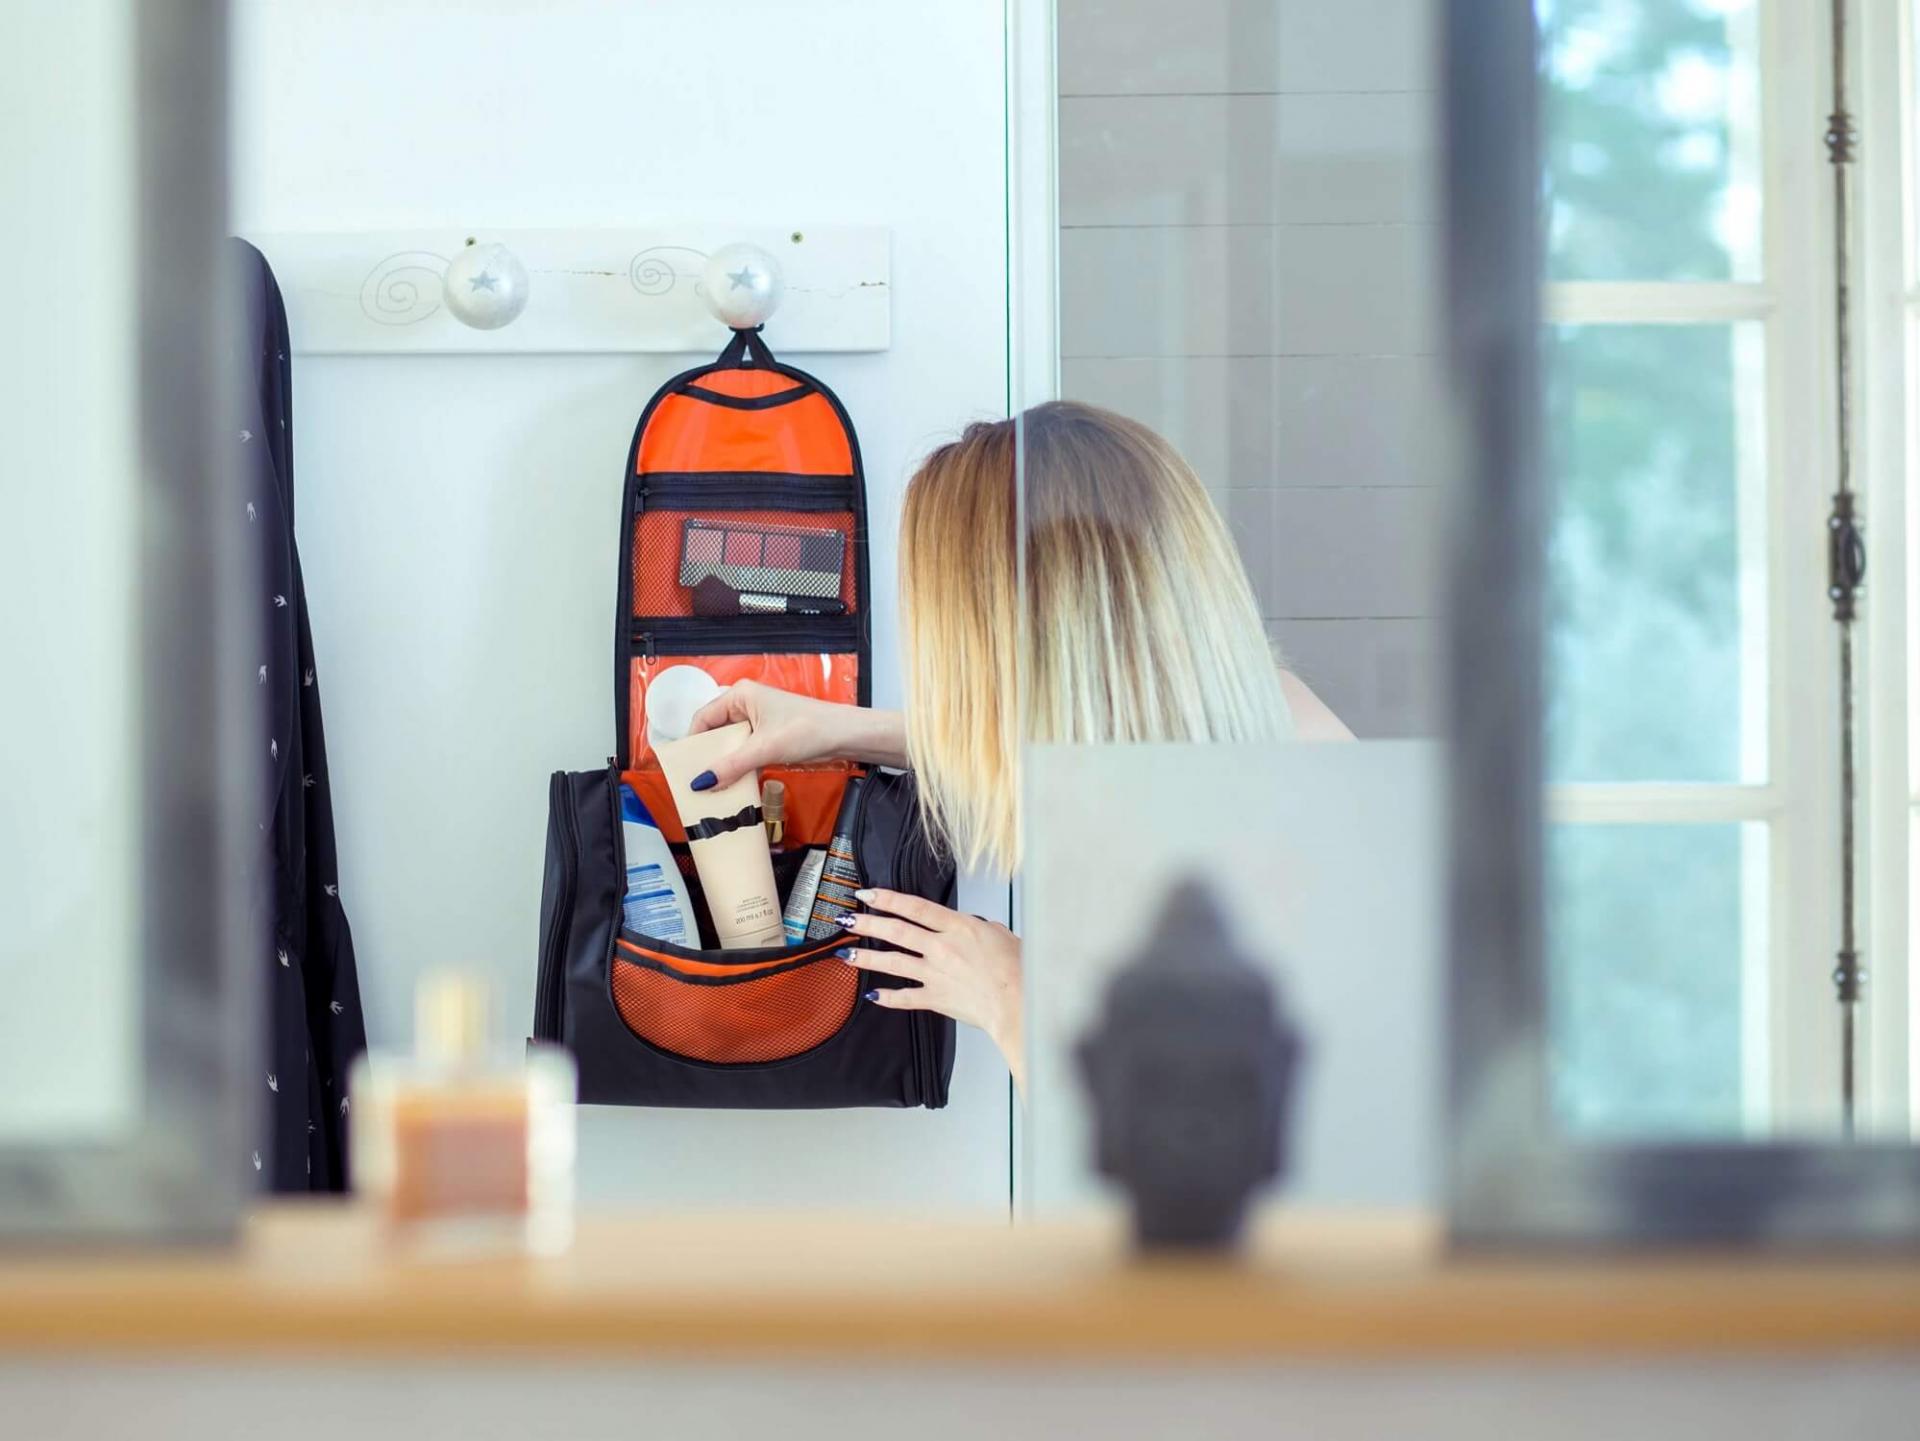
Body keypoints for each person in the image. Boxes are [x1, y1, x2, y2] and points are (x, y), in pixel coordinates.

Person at [685, 402, 1349, 1093]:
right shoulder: (1277, 714)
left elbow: (1150, 1187)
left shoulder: (1188, 878)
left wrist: (1008, 994)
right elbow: (1085, 719)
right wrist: (842, 728)